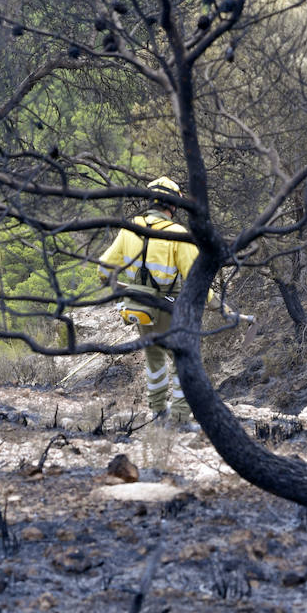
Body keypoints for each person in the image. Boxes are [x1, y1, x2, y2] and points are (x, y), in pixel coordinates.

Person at [96, 176, 217, 426]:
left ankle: (158, 413)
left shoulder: (130, 228)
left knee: (154, 359)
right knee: (183, 361)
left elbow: (104, 269)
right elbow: (196, 277)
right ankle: (181, 418)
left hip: (140, 306)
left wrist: (122, 285)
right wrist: (215, 302)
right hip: (170, 308)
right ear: (172, 204)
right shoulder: (178, 234)